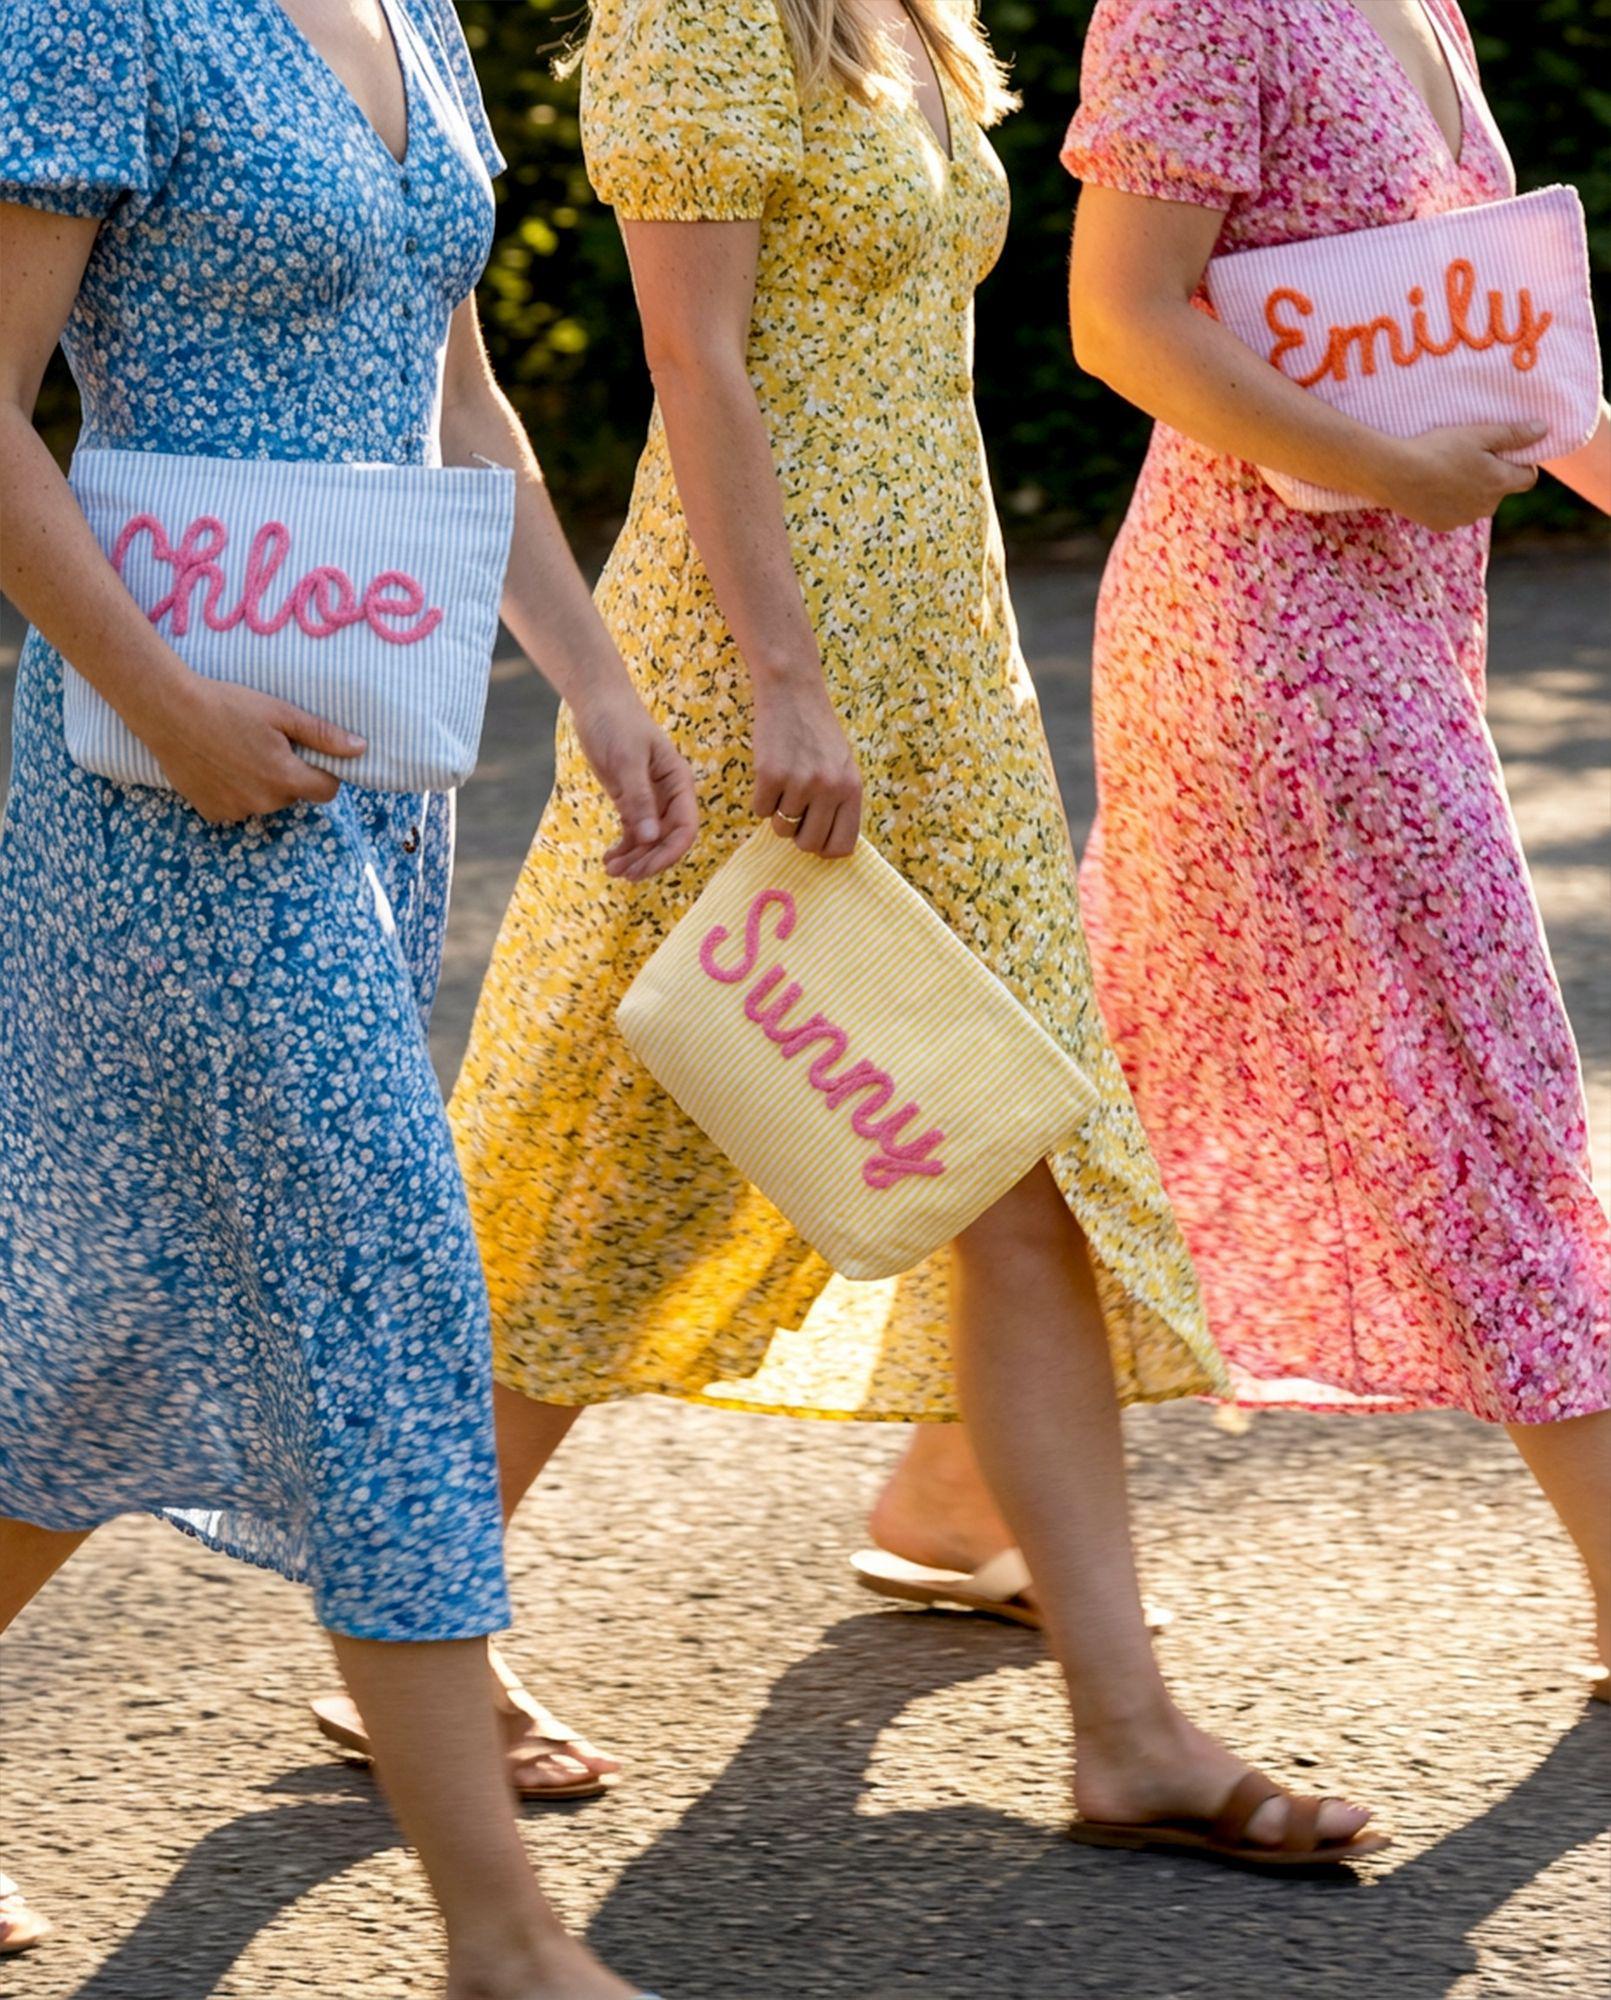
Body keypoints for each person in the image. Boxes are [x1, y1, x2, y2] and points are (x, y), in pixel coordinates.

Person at [353, 0, 1385, 1868]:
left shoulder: (899, 13)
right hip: (765, 667)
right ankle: (403, 1608)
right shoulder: (695, 15)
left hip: (939, 673)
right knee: (606, 1174)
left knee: (1025, 1159)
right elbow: (695, 358)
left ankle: (1128, 1729)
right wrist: (782, 683)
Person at [0, 1, 693, 1991]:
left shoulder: (421, 11)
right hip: (166, 775)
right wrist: (167, 703)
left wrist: (594, 679)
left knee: (108, 1328)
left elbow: (451, 392)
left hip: (365, 765)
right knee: (393, 1270)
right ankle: (502, 1932)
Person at [1041, 0, 1610, 1697]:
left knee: (1141, 1084)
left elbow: (1499, 356)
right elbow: (1118, 318)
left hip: (1397, 628)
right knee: (1490, 1080)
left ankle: (956, 1496)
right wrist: (1378, 472)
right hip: (1266, 646)